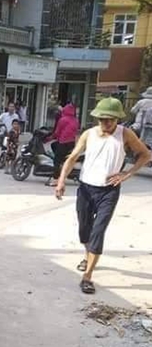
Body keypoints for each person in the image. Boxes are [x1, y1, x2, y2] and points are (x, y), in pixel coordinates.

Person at [55, 98, 151, 295]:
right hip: (86, 189)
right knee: (85, 230)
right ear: (97, 118)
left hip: (109, 191)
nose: (106, 123)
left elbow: (145, 154)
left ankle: (87, 277)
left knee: (98, 232)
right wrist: (61, 180)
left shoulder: (125, 134)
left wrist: (127, 173)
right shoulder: (89, 134)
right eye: (103, 119)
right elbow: (72, 158)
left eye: (111, 119)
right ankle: (87, 255)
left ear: (118, 119)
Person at [47, 104, 80, 187]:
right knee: (54, 145)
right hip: (71, 143)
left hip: (63, 143)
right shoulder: (76, 120)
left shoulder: (63, 120)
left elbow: (57, 132)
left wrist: (49, 138)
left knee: (56, 161)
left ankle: (55, 179)